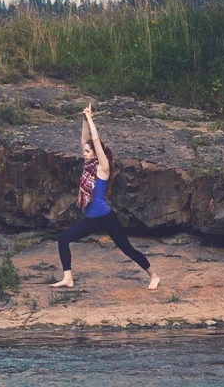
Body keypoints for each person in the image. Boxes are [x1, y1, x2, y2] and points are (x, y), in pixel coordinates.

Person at [50, 103, 161, 290]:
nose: (84, 154)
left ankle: (154, 275)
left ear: (96, 153)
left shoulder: (103, 168)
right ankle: (68, 278)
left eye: (87, 152)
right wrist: (85, 118)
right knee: (63, 238)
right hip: (91, 219)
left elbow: (95, 139)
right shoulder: (89, 166)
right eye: (84, 152)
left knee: (127, 249)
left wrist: (92, 120)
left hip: (106, 218)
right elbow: (87, 139)